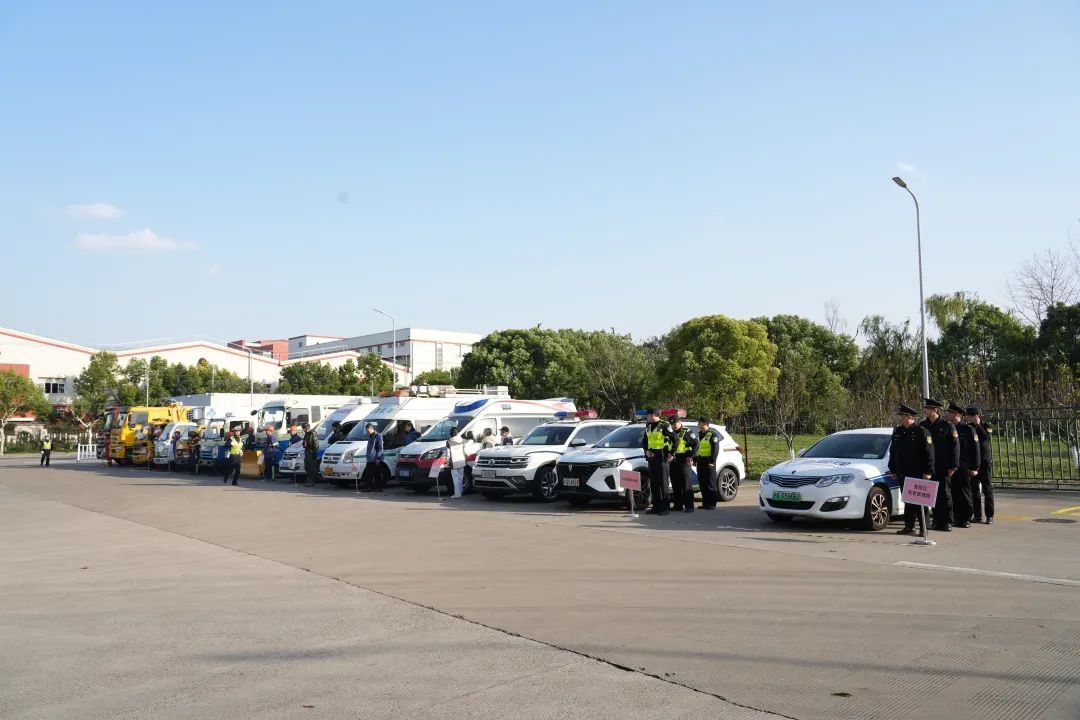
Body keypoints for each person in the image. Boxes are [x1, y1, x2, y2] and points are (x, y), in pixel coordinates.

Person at [890, 404, 935, 535]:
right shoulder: (898, 431)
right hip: (902, 472)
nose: (901, 418)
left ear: (910, 417)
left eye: (903, 416)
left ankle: (923, 528)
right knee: (908, 500)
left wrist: (928, 471)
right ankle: (909, 526)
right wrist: (892, 468)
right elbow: (893, 452)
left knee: (920, 502)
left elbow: (929, 453)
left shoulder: (921, 431)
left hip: (917, 472)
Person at [920, 398, 959, 532]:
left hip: (944, 466)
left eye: (928, 408)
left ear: (935, 410)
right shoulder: (923, 425)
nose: (926, 411)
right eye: (925, 408)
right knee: (933, 494)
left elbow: (955, 447)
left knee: (945, 494)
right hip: (929, 466)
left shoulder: (947, 425)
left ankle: (948, 521)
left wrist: (953, 466)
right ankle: (937, 521)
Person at [946, 403, 980, 528]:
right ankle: (956, 517)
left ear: (957, 414)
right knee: (953, 493)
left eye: (950, 412)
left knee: (965, 493)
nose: (947, 415)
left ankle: (966, 518)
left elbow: (975, 450)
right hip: (951, 467)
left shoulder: (968, 429)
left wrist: (975, 467)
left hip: (964, 466)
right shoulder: (948, 428)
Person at [641, 409, 677, 515]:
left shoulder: (664, 425)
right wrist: (646, 450)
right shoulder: (648, 426)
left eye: (648, 415)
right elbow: (645, 441)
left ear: (653, 415)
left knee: (663, 484)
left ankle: (665, 508)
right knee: (654, 484)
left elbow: (675, 439)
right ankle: (656, 507)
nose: (647, 417)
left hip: (662, 458)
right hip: (652, 459)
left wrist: (672, 453)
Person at [966, 405, 995, 525]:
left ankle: (989, 516)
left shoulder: (985, 426)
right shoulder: (967, 427)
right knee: (974, 490)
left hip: (984, 462)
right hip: (973, 463)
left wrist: (978, 425)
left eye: (969, 416)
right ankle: (977, 515)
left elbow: (985, 437)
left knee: (987, 489)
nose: (967, 418)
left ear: (976, 416)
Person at [669, 416, 698, 513]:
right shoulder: (670, 431)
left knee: (686, 484)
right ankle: (678, 505)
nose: (674, 426)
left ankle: (689, 506)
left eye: (675, 423)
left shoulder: (687, 431)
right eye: (672, 424)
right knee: (675, 484)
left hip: (684, 460)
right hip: (673, 461)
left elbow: (696, 445)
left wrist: (690, 456)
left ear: (680, 422)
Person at [694, 417, 720, 509]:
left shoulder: (713, 435)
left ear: (704, 423)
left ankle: (712, 504)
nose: (698, 425)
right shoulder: (699, 435)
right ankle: (705, 503)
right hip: (700, 461)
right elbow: (697, 448)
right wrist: (694, 459)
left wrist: (712, 461)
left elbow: (715, 449)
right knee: (703, 483)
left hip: (709, 462)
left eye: (699, 423)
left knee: (710, 483)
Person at [360, 422, 385, 492]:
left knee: (377, 473)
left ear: (371, 429)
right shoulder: (370, 436)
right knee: (368, 474)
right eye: (366, 430)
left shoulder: (378, 436)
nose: (367, 432)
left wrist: (378, 458)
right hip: (369, 458)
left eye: (368, 430)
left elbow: (380, 448)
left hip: (375, 458)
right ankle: (369, 487)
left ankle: (379, 487)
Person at [446, 426, 466, 499]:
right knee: (461, 477)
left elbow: (448, 453)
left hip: (453, 462)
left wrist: (447, 462)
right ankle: (460, 492)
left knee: (455, 478)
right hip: (461, 460)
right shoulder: (462, 440)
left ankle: (457, 494)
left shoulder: (449, 441)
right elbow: (465, 450)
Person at [301, 422, 318, 487]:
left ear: (307, 428)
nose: (303, 430)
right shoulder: (306, 434)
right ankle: (309, 481)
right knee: (307, 467)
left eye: (304, 428)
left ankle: (311, 482)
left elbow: (316, 445)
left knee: (311, 468)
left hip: (311, 452)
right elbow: (305, 442)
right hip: (307, 451)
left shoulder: (312, 433)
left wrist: (313, 451)